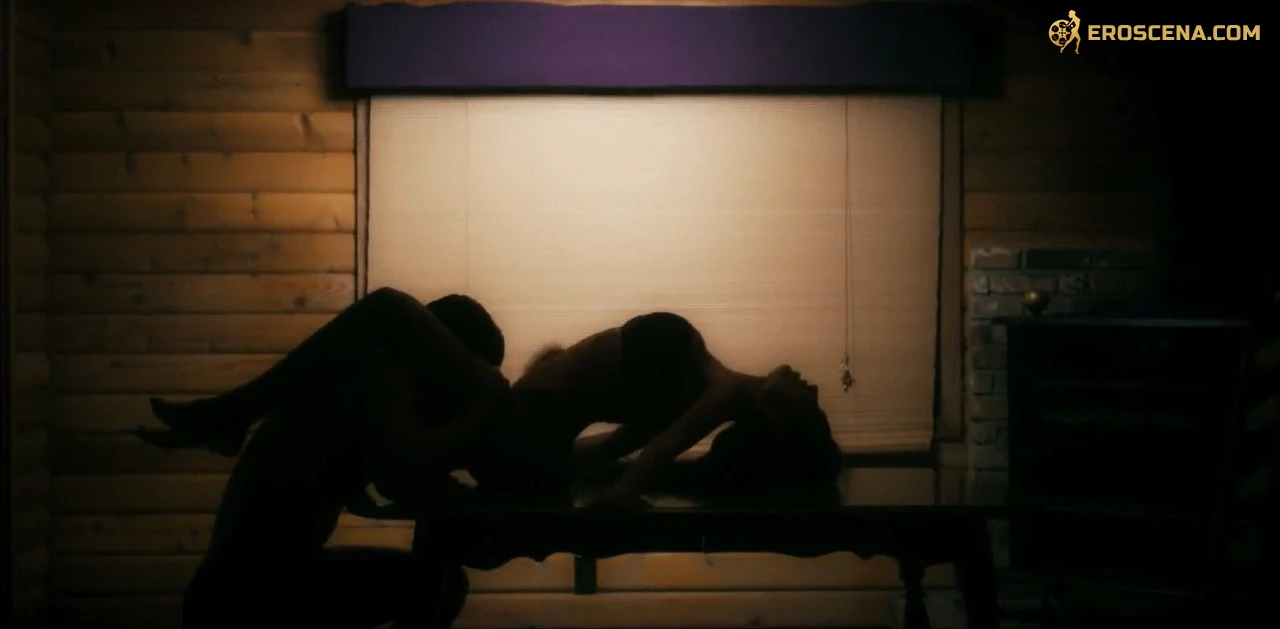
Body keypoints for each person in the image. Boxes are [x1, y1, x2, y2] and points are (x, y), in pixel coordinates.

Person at [143, 288, 512, 628]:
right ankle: (229, 415)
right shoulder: (381, 383)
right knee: (440, 585)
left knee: (443, 583)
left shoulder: (362, 381)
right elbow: (403, 469)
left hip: (252, 584)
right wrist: (485, 410)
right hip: (246, 596)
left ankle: (229, 415)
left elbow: (404, 477)